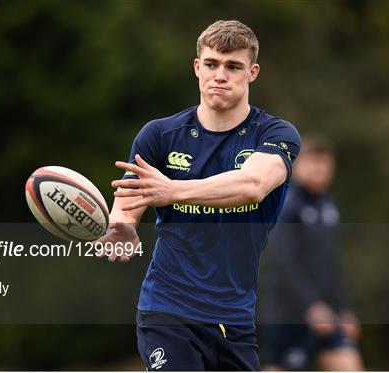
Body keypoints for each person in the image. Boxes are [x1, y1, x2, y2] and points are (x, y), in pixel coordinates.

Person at [96, 20, 300, 371]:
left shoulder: (276, 133)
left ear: (252, 72)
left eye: (233, 66)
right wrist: (123, 224)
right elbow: (128, 204)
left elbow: (253, 185)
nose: (220, 75)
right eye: (211, 64)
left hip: (234, 316)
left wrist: (172, 190)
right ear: (197, 67)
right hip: (167, 308)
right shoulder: (159, 135)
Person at [259, 136, 364, 371]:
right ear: (297, 165)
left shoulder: (328, 204)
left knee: (350, 364)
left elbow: (333, 263)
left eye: (326, 164)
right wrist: (310, 306)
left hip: (328, 314)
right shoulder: (285, 204)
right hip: (290, 314)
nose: (321, 170)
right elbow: (282, 262)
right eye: (314, 163)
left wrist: (344, 308)